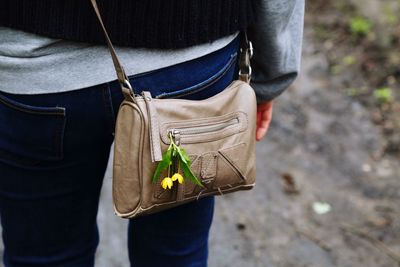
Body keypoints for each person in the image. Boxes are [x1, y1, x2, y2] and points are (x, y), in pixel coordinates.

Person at [0, 0, 304, 266]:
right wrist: (271, 75)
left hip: (37, 73)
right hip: (194, 60)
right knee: (176, 253)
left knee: (47, 256)